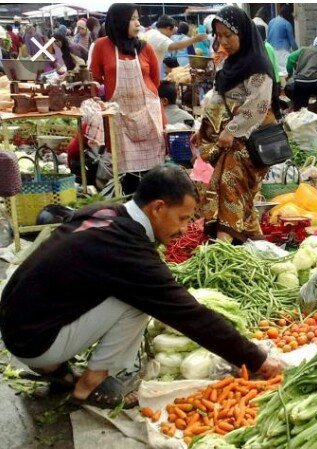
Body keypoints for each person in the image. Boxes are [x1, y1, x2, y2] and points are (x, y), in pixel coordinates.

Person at [0, 165, 282, 409]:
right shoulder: (128, 250)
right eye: (183, 218)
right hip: (35, 343)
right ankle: (89, 385)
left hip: (17, 328)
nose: (185, 229)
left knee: (113, 292)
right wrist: (256, 359)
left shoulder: (104, 212)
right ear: (158, 208)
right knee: (137, 302)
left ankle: (55, 370)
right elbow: (191, 316)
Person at [189, 5, 278, 243]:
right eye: (219, 35)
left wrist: (231, 130)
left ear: (244, 33)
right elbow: (218, 100)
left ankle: (223, 246)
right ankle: (251, 242)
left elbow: (258, 106)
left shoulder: (258, 65)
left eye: (229, 35)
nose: (223, 41)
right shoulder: (230, 64)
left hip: (251, 142)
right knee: (237, 195)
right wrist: (203, 129)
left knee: (229, 186)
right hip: (232, 140)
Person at [90, 3, 166, 195]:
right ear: (119, 21)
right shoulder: (101, 46)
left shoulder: (145, 48)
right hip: (119, 120)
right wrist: (98, 100)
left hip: (148, 117)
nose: (138, 23)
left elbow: (155, 81)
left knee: (152, 175)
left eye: (138, 18)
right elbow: (95, 80)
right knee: (128, 176)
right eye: (132, 19)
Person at [286, 35, 317, 110]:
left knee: (299, 109)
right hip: (315, 84)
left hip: (299, 83)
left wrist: (290, 73)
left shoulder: (303, 50)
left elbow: (290, 58)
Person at [267, 5, 297, 77]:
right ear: (288, 14)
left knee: (276, 73)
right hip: (283, 52)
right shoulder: (286, 24)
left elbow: (267, 38)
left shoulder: (271, 22)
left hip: (272, 52)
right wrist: (298, 53)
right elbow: (292, 41)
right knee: (285, 74)